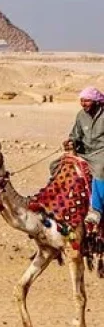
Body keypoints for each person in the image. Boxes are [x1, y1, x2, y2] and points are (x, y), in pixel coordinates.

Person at [63, 86, 104, 224]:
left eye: (87, 101)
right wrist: (71, 142)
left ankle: (97, 209)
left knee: (99, 169)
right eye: (82, 101)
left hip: (101, 152)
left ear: (96, 101)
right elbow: (75, 135)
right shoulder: (81, 115)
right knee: (58, 165)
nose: (83, 104)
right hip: (85, 151)